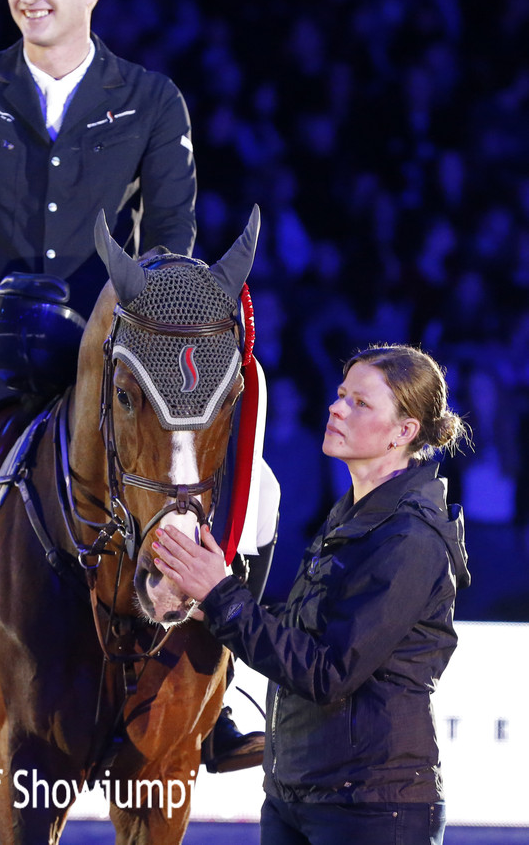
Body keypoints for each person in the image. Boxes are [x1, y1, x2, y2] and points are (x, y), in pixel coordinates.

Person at [0, 0, 268, 771]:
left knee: (262, 487)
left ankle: (225, 684)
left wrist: (158, 358)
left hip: (113, 365)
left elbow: (171, 252)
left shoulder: (150, 100)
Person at [153, 344, 470, 845]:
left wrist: (222, 595)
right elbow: (305, 634)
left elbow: (328, 672)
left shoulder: (410, 537)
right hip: (299, 794)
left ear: (403, 432)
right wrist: (206, 603)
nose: (336, 407)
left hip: (369, 808)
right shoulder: (354, 514)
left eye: (360, 403)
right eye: (341, 395)